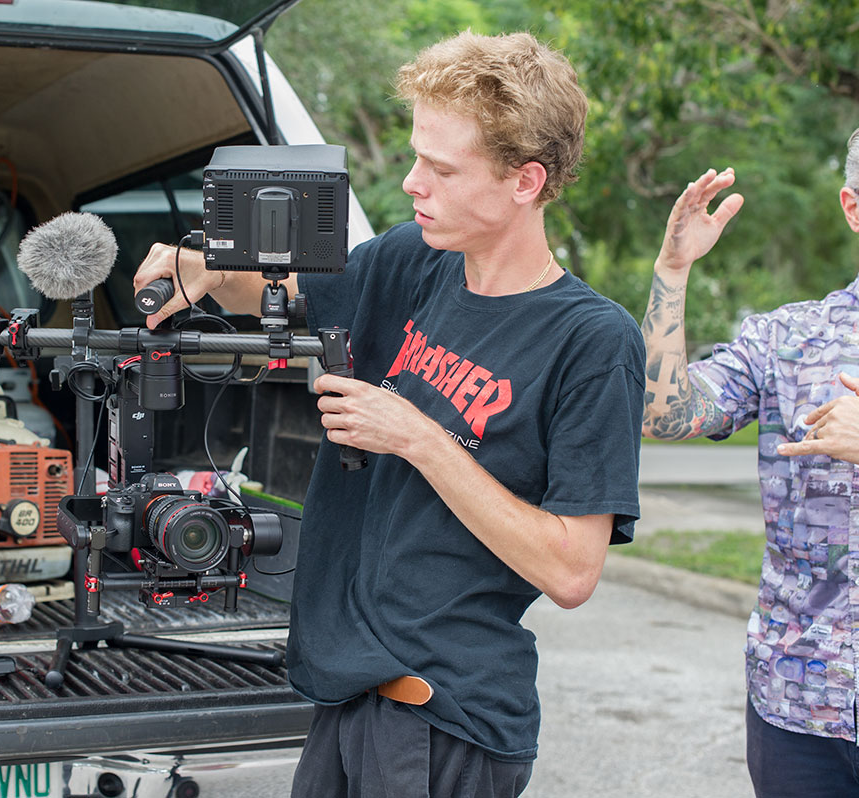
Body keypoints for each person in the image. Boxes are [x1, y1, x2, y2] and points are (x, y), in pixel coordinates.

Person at [135, 31, 645, 798]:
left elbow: (572, 570)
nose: (413, 183)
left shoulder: (592, 340)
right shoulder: (410, 260)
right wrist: (206, 266)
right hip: (348, 696)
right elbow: (274, 295)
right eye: (415, 157)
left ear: (525, 181)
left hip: (445, 721)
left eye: (441, 169)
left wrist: (419, 438)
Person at [640, 128, 859, 797]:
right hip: (798, 704)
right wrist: (672, 275)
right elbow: (666, 414)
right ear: (853, 209)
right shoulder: (786, 339)